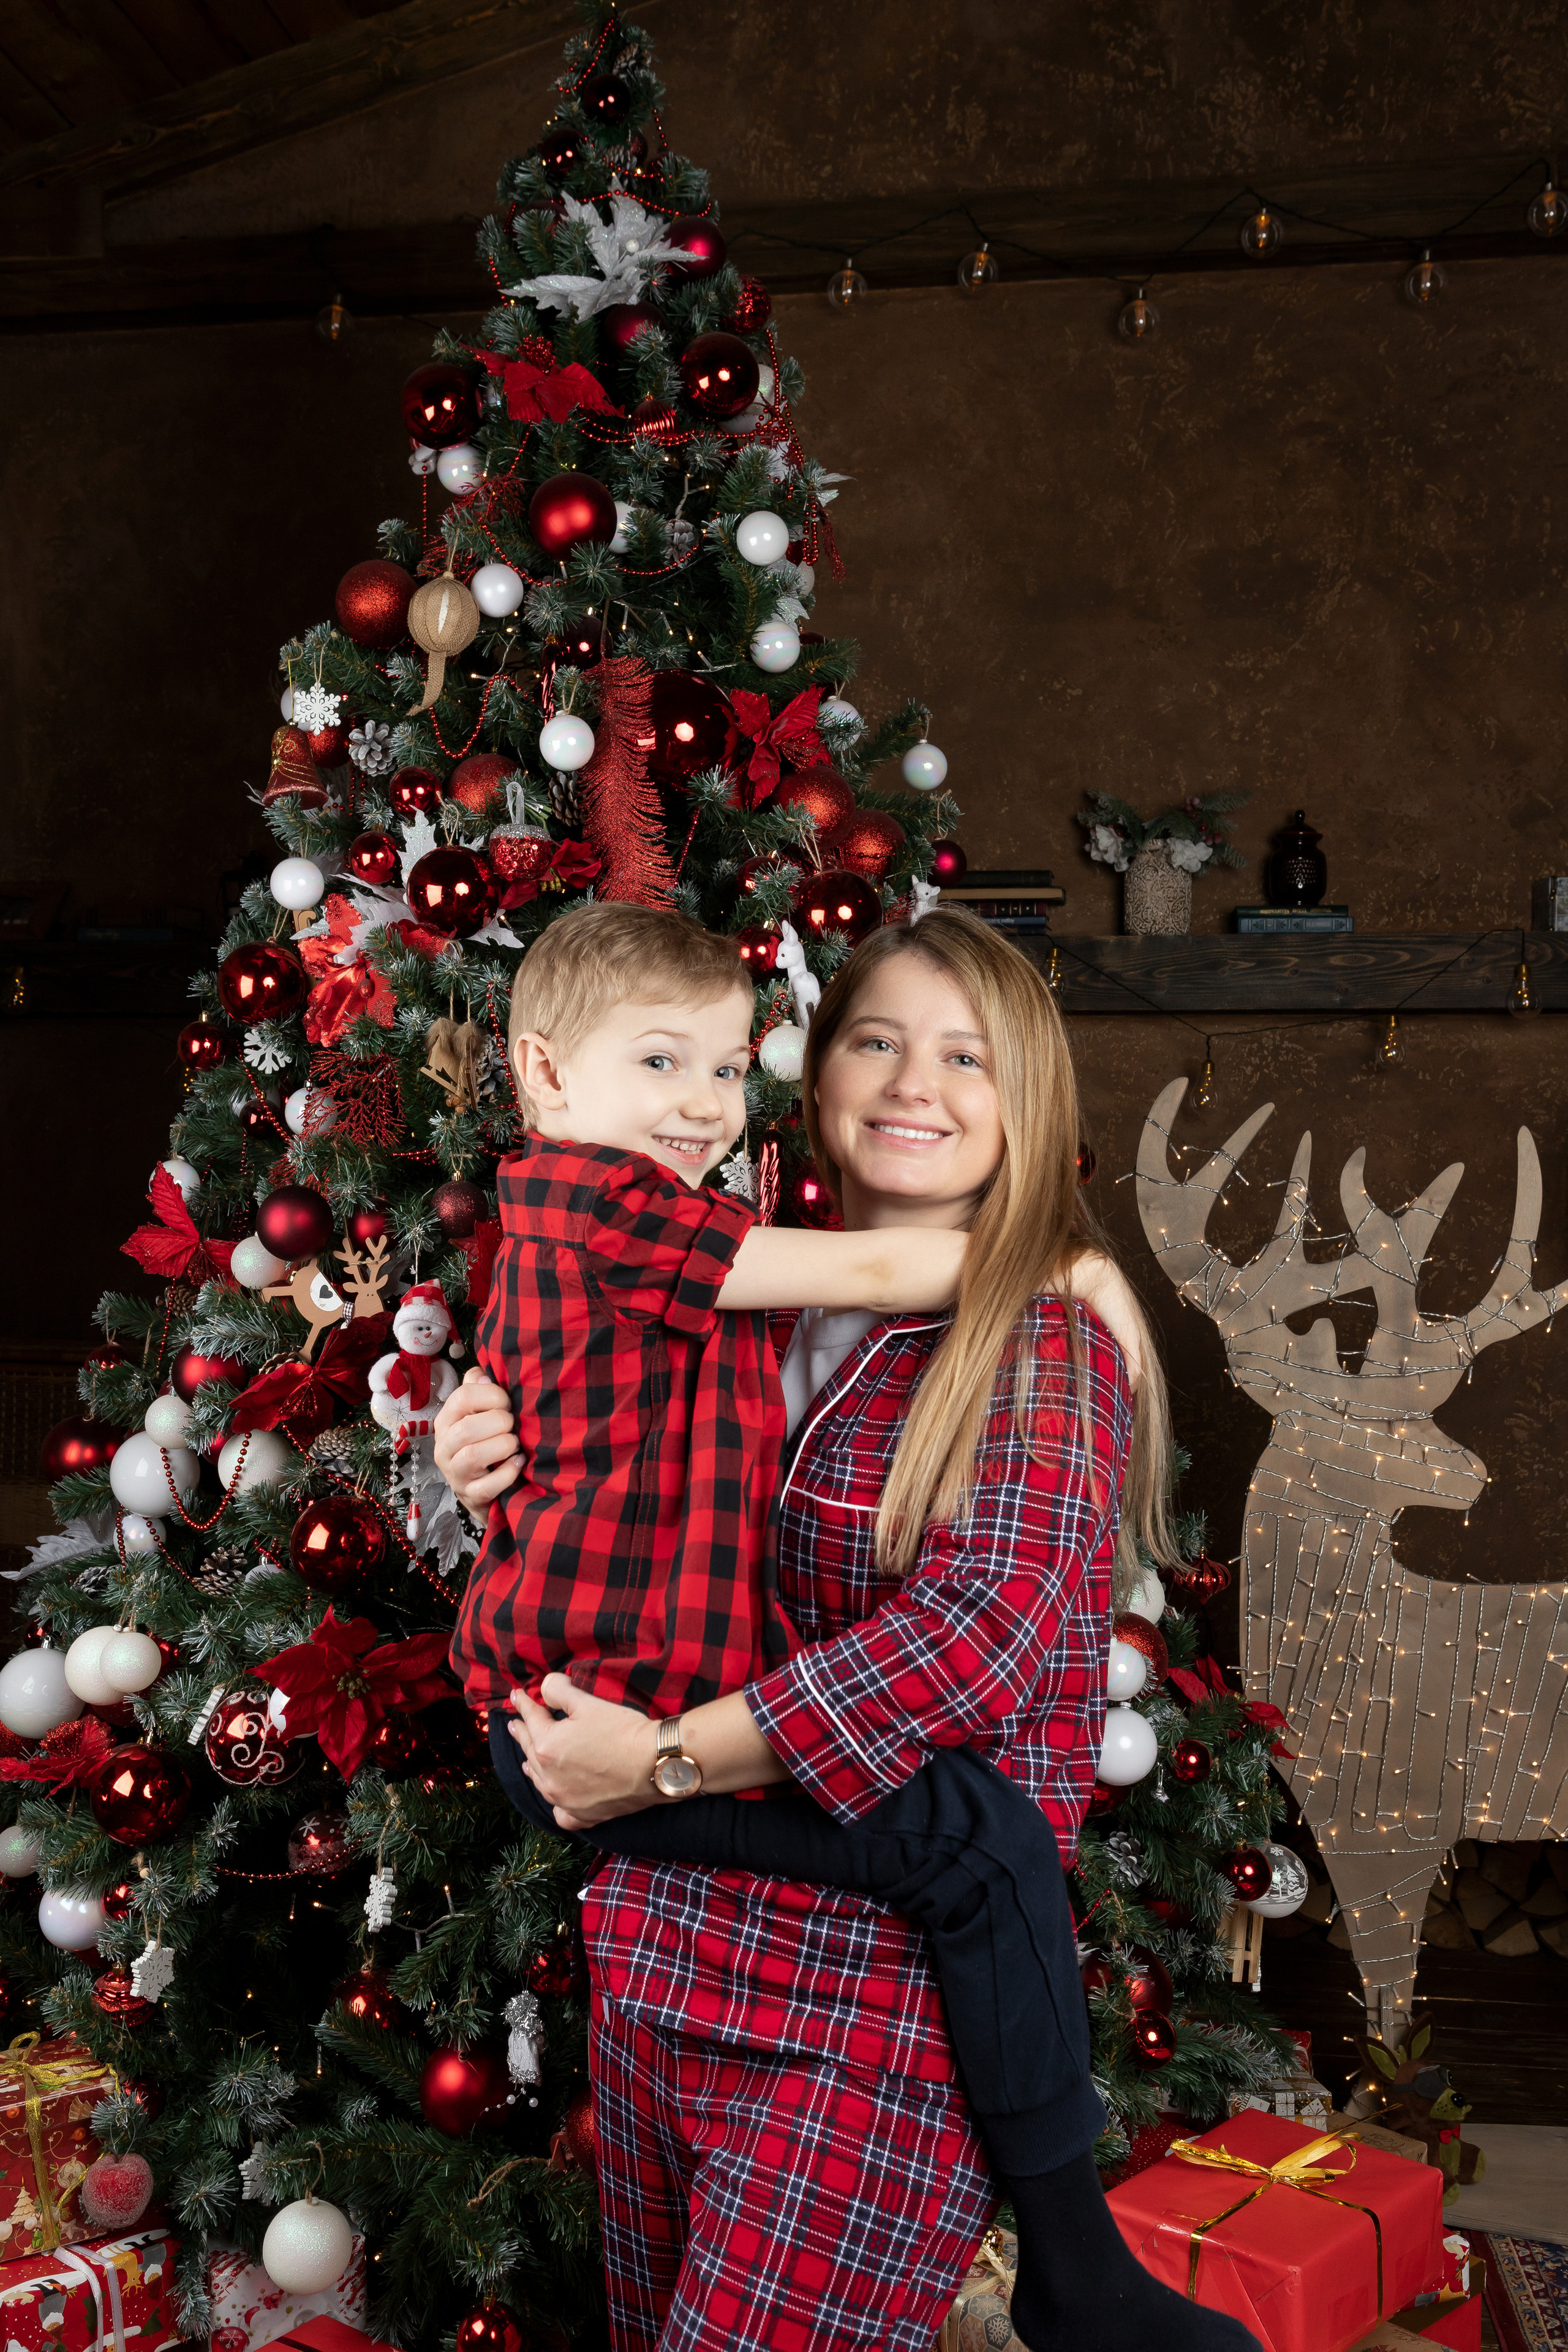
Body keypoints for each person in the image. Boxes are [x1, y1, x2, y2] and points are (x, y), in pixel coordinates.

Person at [439, 906, 1258, 2352]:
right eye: (875, 1042)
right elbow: (605, 1493)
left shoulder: (1041, 1337)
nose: (912, 1085)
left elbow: (968, 1642)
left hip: (871, 2006)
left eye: (966, 1057)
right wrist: (476, 1446)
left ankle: (1082, 2285)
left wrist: (667, 1761)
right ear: (814, 1074)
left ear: (1025, 1100)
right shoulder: (731, 1289)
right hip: (666, 1948)